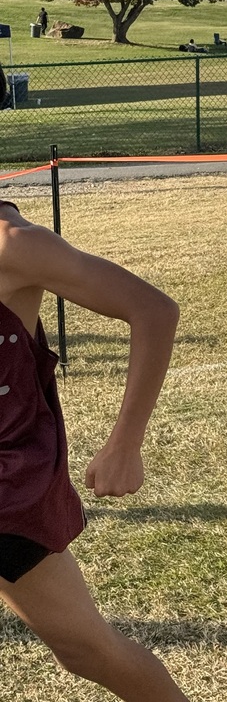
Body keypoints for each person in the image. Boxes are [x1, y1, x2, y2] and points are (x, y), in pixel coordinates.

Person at [0, 73, 189, 700]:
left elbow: (153, 311)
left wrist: (124, 444)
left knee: (85, 649)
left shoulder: (15, 246)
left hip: (6, 490)